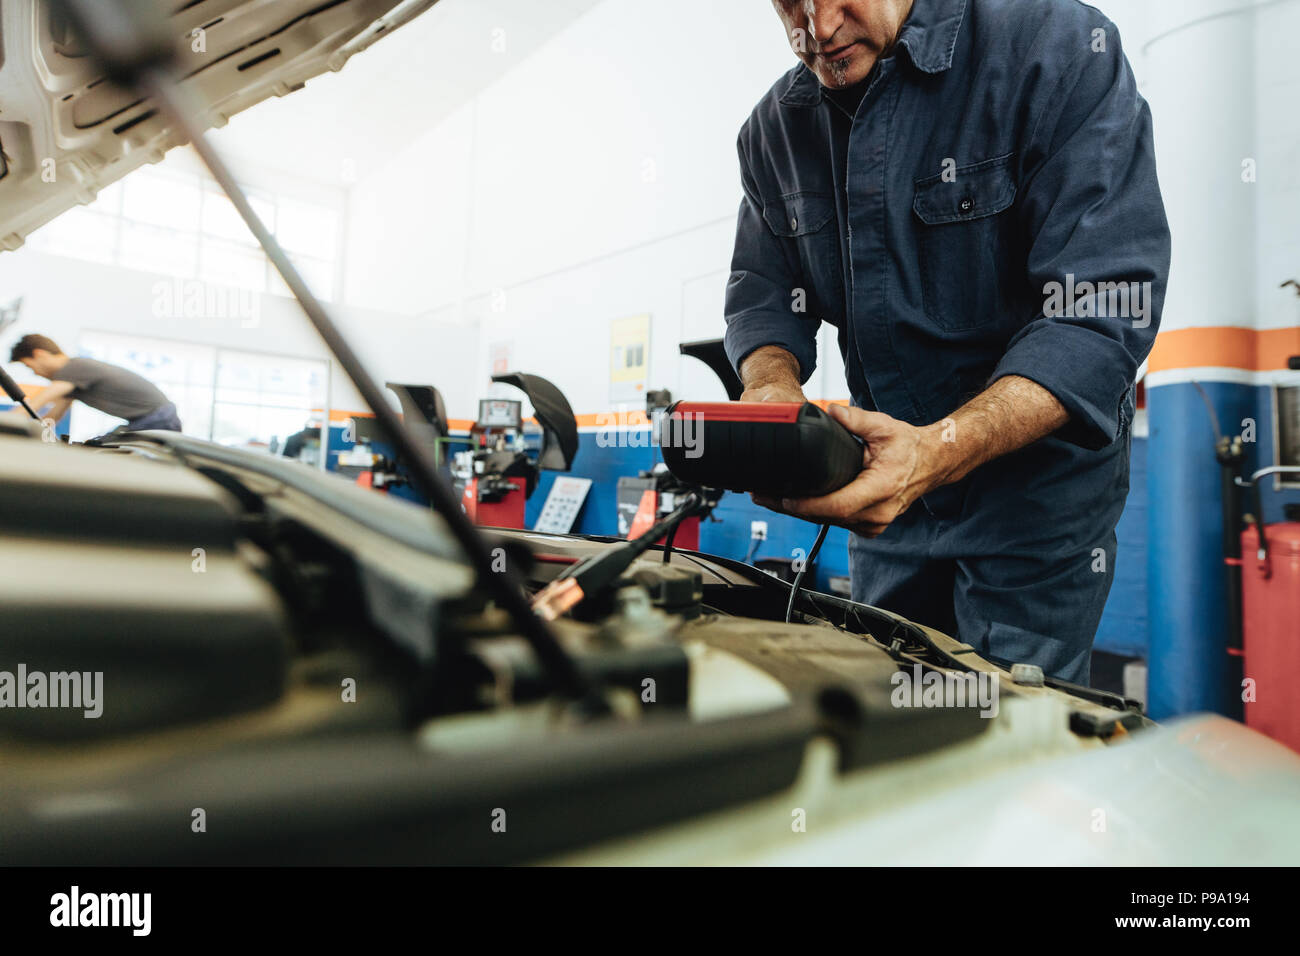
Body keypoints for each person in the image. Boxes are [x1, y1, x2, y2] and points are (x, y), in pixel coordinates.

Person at [727, 0, 1170, 684]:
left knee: (1009, 735)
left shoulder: (1057, 51)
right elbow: (762, 297)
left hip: (1035, 511)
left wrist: (939, 449)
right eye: (790, 0)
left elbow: (1100, 307)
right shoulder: (773, 133)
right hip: (888, 501)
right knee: (895, 709)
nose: (814, 29)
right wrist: (771, 389)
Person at [7, 334, 182, 438]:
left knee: (105, 452)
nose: (35, 373)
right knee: (99, 446)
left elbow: (35, 403)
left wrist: (5, 422)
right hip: (151, 417)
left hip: (157, 417)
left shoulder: (73, 368)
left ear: (40, 354)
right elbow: (53, 417)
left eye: (30, 366)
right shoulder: (72, 378)